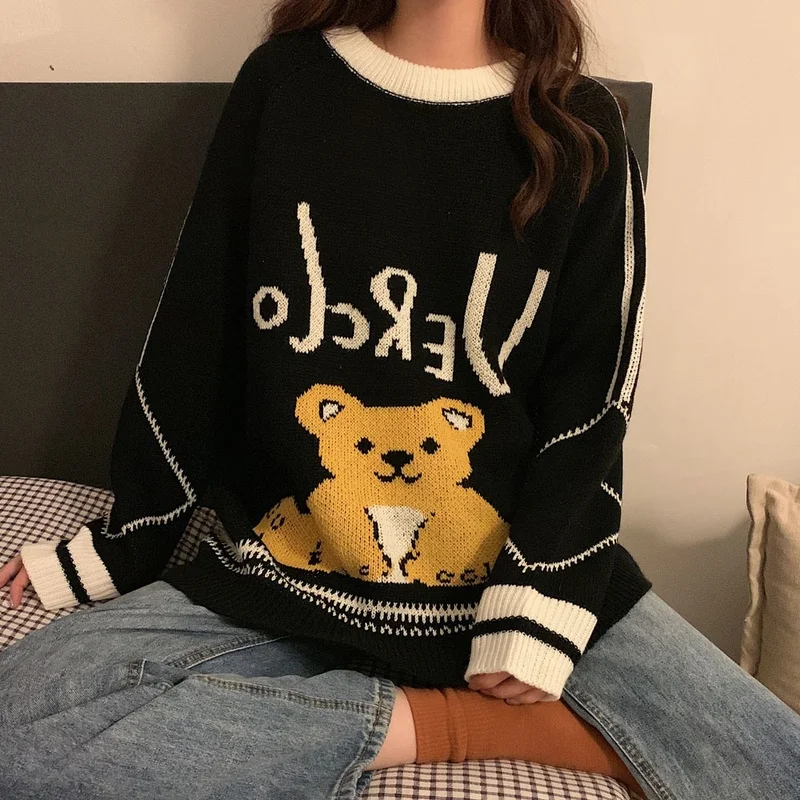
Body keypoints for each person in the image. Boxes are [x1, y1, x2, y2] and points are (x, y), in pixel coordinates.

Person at [2, 2, 799, 799]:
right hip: (287, 580)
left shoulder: (580, 127)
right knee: (20, 717)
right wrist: (123, 544)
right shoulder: (286, 85)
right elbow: (192, 337)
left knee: (776, 764)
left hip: (501, 578)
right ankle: (459, 727)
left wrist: (541, 595)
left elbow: (593, 398)